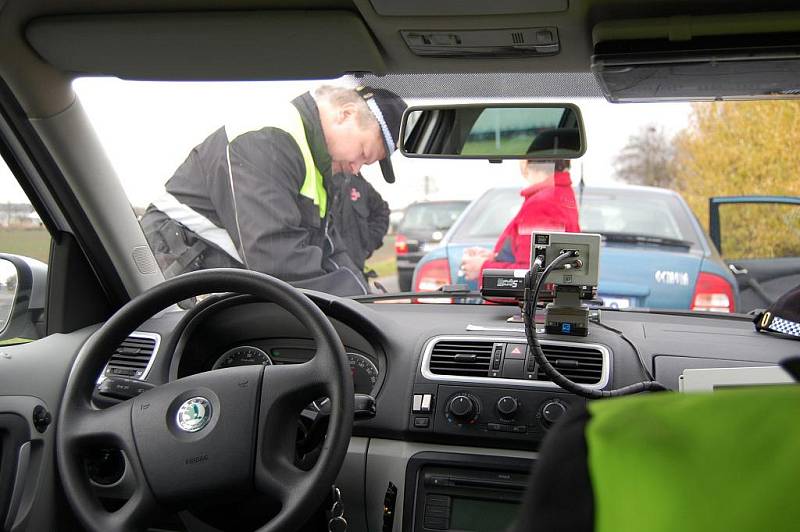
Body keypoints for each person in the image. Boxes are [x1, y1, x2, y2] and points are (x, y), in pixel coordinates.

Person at [140, 85, 406, 296]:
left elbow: (328, 247)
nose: (356, 168)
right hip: (178, 265)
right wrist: (358, 307)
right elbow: (276, 258)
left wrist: (365, 297)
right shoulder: (267, 138)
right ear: (345, 114)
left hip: (219, 273)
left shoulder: (317, 164)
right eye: (363, 153)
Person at [460, 159, 580, 281]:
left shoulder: (542, 202)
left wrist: (482, 268)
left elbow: (534, 277)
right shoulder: (560, 194)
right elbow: (542, 263)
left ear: (525, 162)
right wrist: (496, 257)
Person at [331, 170, 390, 275]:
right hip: (324, 272)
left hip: (355, 269)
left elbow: (381, 212)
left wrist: (367, 244)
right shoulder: (319, 179)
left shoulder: (360, 185)